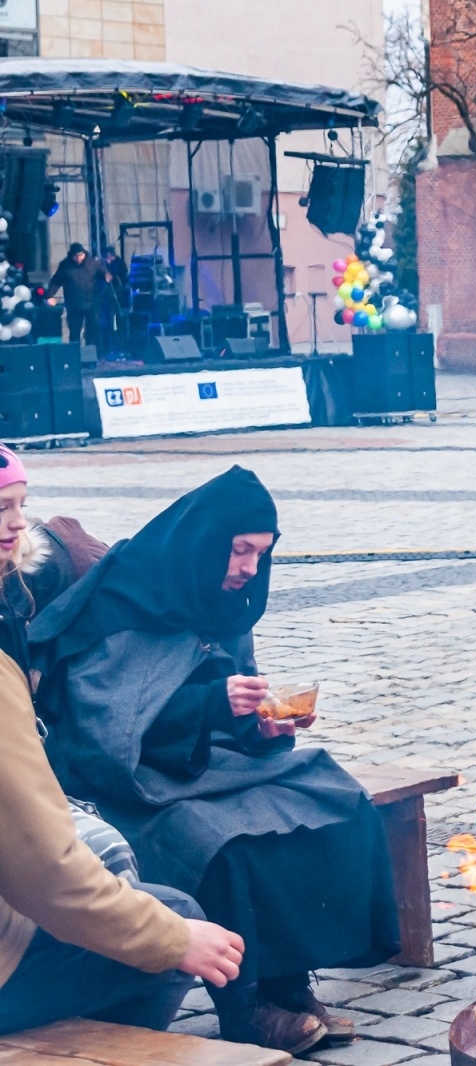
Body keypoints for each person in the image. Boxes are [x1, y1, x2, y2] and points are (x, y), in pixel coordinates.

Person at [29, 468, 399, 1055]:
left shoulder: (223, 598)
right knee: (224, 843)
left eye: (262, 553)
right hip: (119, 780)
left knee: (333, 797)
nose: (250, 568)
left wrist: (259, 725)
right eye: (241, 550)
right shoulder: (122, 596)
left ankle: (287, 982)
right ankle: (246, 1005)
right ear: (206, 541)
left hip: (201, 765)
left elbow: (229, 704)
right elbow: (98, 732)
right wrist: (208, 706)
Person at [0, 447, 246, 1037]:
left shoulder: (231, 608)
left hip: (183, 768)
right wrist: (171, 939)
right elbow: (45, 859)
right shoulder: (110, 608)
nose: (16, 524)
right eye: (2, 508)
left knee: (315, 799)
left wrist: (244, 719)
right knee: (178, 908)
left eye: (20, 507)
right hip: (115, 781)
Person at [45, 243, 100, 346]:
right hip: (74, 304)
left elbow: (104, 274)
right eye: (76, 256)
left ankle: (92, 356)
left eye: (80, 255)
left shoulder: (93, 263)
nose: (78, 258)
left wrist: (108, 278)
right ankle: (75, 355)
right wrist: (50, 295)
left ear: (84, 254)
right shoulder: (65, 265)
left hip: (91, 303)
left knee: (93, 331)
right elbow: (56, 281)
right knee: (74, 332)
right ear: (72, 256)